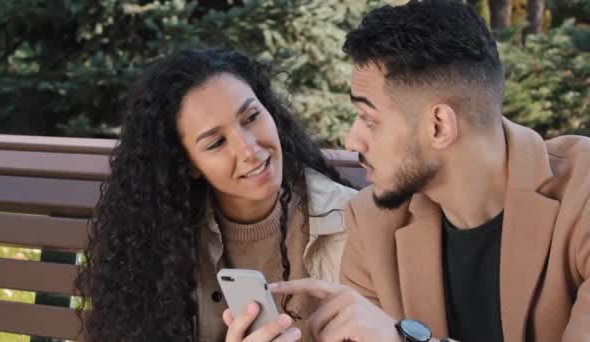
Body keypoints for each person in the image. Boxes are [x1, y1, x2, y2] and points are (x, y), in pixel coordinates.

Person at [224, 0, 590, 341]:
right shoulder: (373, 223)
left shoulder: (583, 195)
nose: (353, 141)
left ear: (438, 127)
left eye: (369, 119)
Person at [75, 47, 357, 341]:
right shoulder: (162, 241)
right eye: (216, 143)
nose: (249, 150)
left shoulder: (351, 218)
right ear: (189, 164)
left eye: (251, 117)